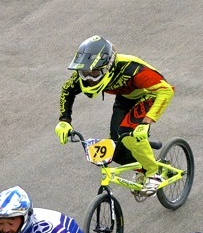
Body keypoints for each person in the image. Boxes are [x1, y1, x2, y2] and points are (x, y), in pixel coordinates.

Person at [54, 35, 175, 196]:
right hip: (125, 99)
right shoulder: (85, 74)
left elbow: (166, 90)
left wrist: (146, 123)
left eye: (94, 73)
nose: (89, 79)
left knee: (129, 131)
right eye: (84, 73)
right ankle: (144, 169)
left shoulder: (132, 69)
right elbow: (67, 90)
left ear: (107, 67)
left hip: (149, 95)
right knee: (116, 149)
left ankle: (153, 174)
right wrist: (64, 121)